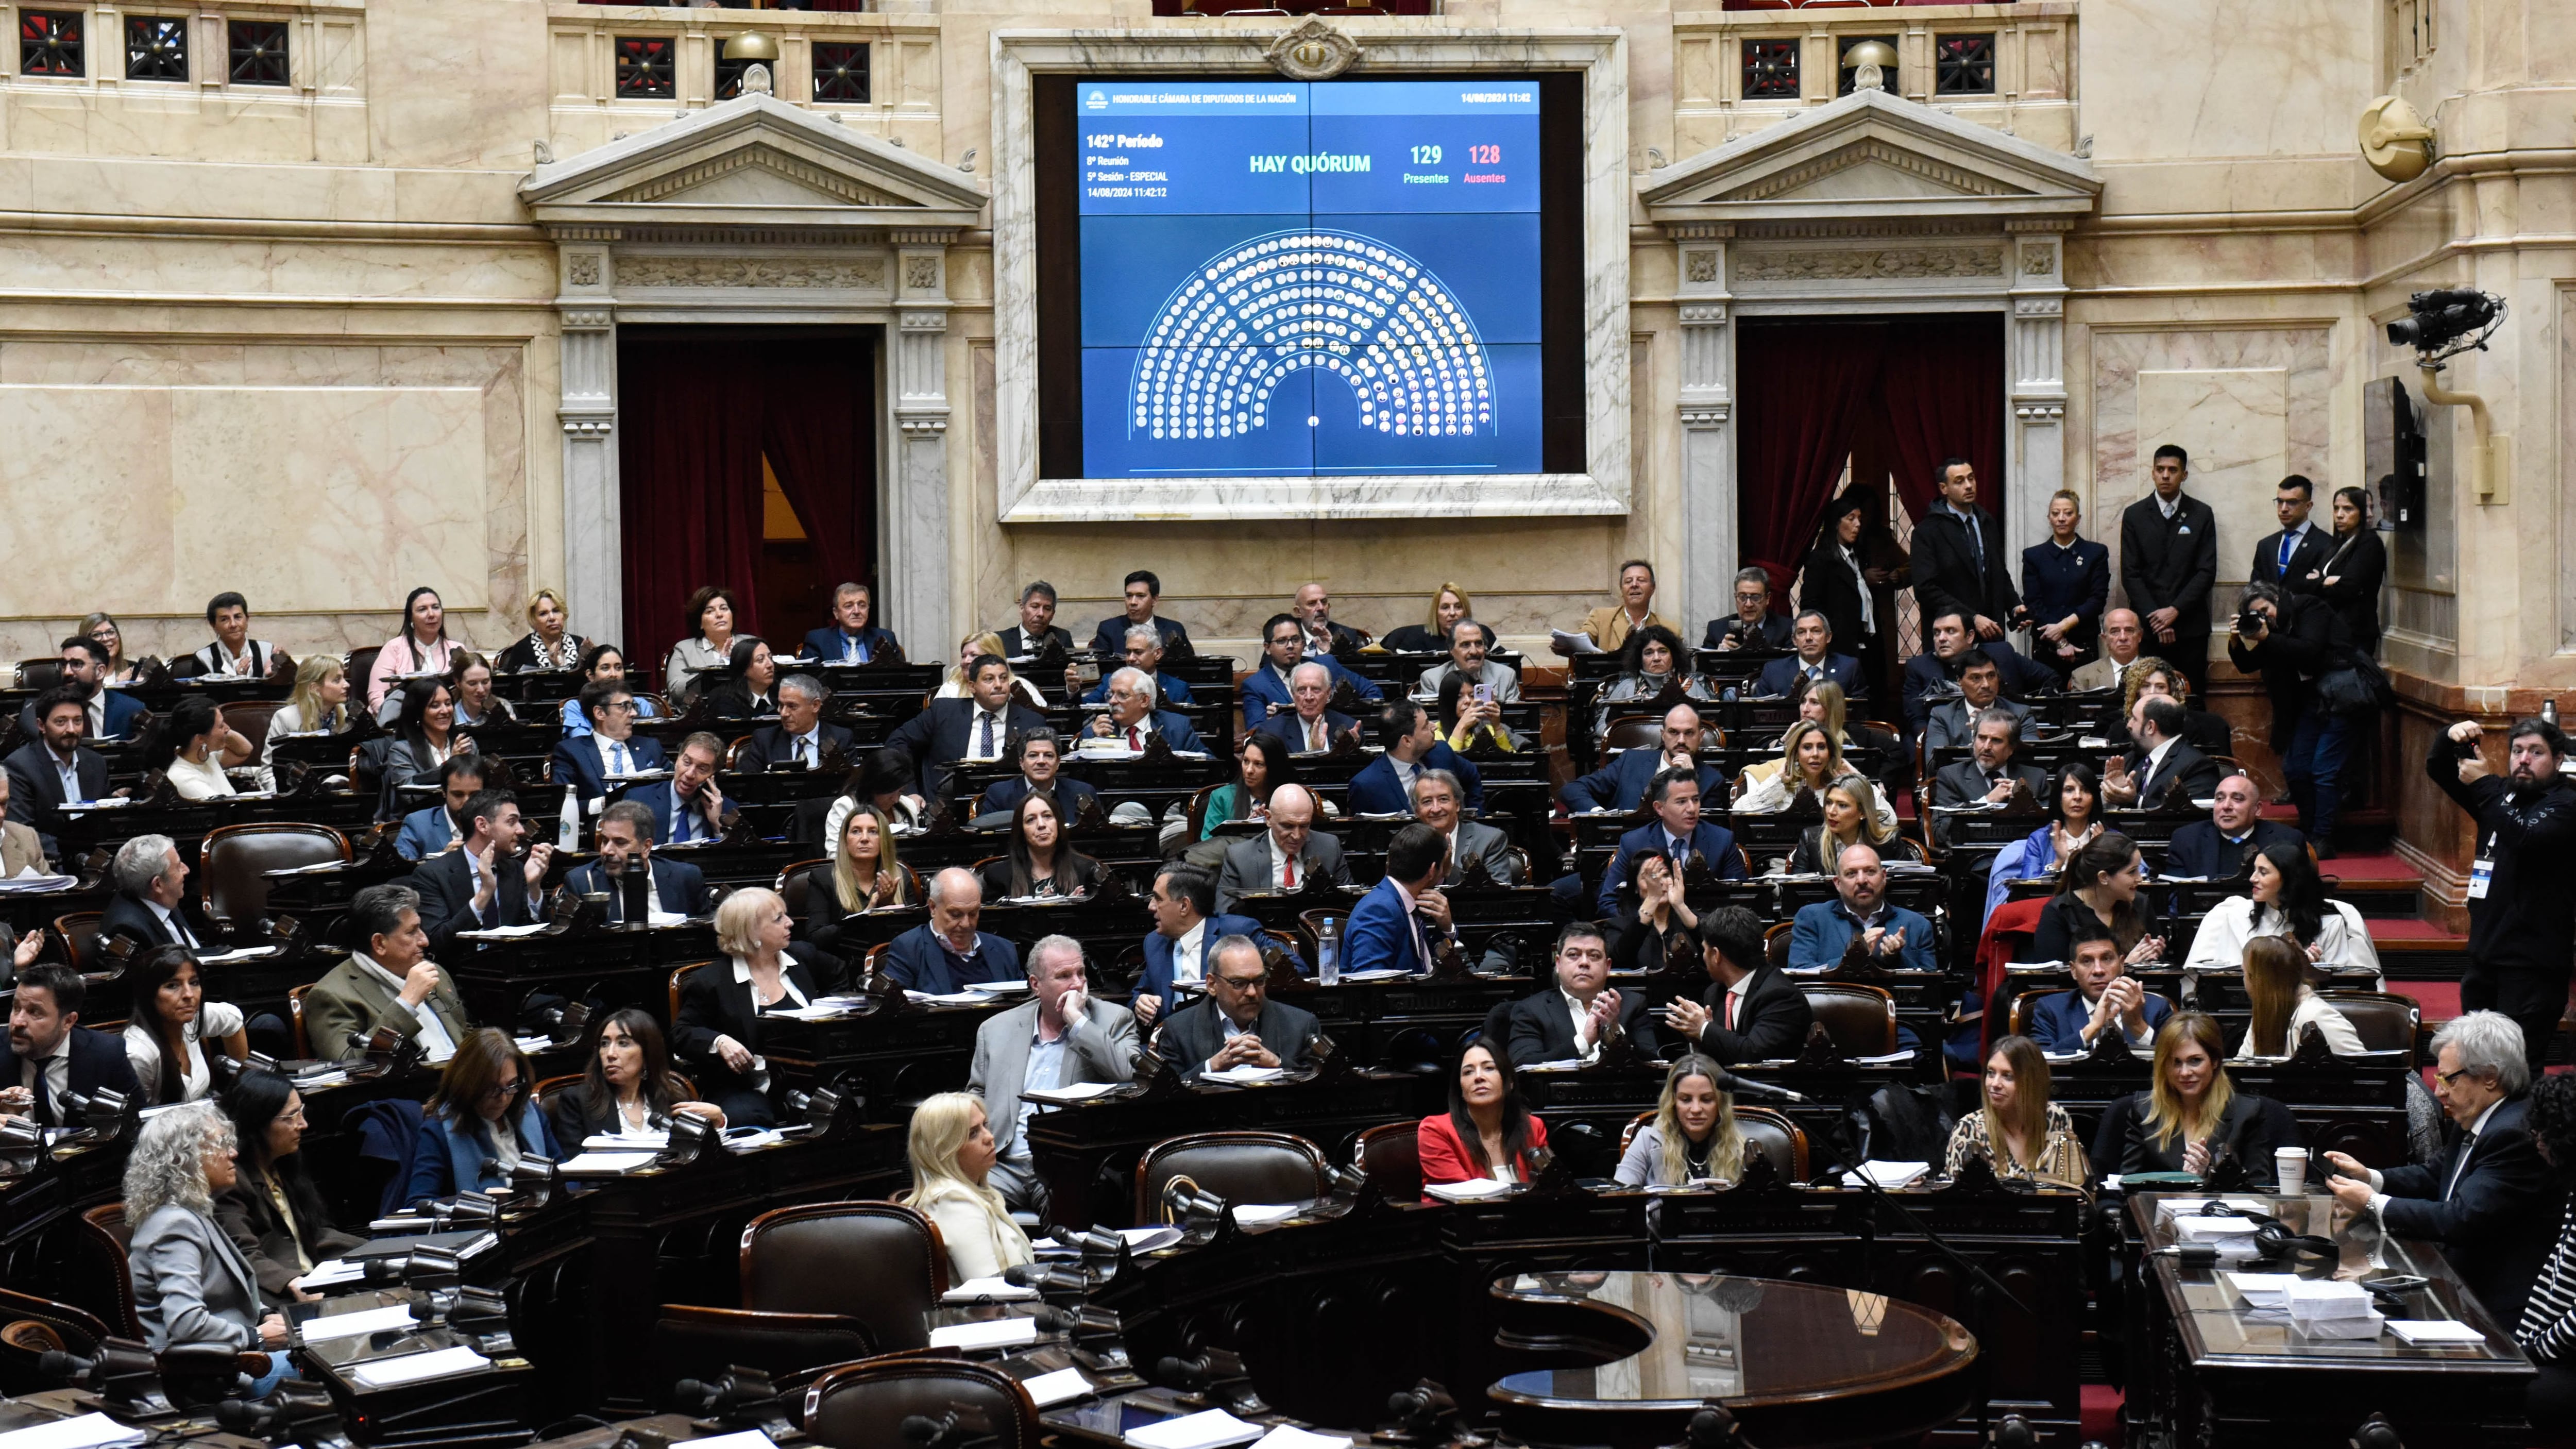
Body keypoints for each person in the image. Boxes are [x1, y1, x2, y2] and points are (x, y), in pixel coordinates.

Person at [2325, 1011, 2553, 1327]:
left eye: (2449, 1079)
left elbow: (2462, 1218)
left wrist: (2372, 1203)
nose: (2438, 1092)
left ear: (2490, 1076)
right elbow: (2436, 1176)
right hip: (2458, 1282)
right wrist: (2371, 1178)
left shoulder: (2513, 1134)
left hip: (2496, 1306)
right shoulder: (2478, 1115)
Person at [2427, 715, 2576, 1069]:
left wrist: (2484, 786)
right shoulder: (2500, 794)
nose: (2523, 759)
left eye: (2536, 752)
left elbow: (2524, 837)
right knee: (2476, 1064)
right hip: (2486, 957)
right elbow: (2439, 768)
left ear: (2557, 761)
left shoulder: (2566, 805)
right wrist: (2449, 737)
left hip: (2532, 967)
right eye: (2517, 751)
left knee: (2517, 1068)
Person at [123, 1104, 290, 1391]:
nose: (233, 1154)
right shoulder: (175, 1225)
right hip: (216, 1374)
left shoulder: (191, 1211)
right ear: (185, 1160)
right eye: (221, 1145)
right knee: (330, 1366)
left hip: (235, 1357)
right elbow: (186, 1323)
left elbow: (223, 1293)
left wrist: (264, 1315)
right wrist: (255, 1337)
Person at [969, 935, 1140, 1212]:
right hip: (1002, 1165)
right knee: (957, 1205)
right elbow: (975, 1096)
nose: (1077, 984)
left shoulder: (1114, 1020)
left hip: (1067, 1164)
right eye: (1064, 976)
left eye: (1081, 973)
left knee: (1068, 1208)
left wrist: (1078, 1022)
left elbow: (1129, 1074)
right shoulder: (996, 1029)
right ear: (1036, 984)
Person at [2227, 580, 2360, 852]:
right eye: (2258, 614)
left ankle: (2323, 837)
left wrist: (2266, 637)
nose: (2265, 617)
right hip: (2310, 703)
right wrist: (2236, 640)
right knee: (2295, 769)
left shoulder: (2308, 607)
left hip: (2341, 697)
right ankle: (2311, 833)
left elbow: (2309, 649)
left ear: (2277, 600)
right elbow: (2247, 664)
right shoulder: (2271, 632)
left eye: (2266, 609)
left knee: (2324, 770)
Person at [215, 1072, 362, 1310]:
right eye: (291, 1117)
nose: (303, 1124)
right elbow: (242, 1255)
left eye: (301, 1112)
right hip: (279, 1298)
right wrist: (292, 1283)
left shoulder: (283, 1164)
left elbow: (312, 1233)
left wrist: (375, 1252)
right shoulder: (231, 1182)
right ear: (258, 1123)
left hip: (315, 1279)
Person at [676, 888, 819, 1125]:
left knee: (844, 1102)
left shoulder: (802, 958)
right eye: (779, 919)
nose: (790, 923)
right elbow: (681, 1033)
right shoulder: (711, 981)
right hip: (745, 1087)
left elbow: (839, 976)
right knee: (747, 1117)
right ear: (751, 931)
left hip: (809, 1081)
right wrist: (720, 1041)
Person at [2099, 1012, 2287, 1184]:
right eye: (2176, 1063)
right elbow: (2131, 1183)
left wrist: (2210, 1175)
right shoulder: (2144, 1110)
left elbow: (2258, 1188)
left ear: (2215, 1061)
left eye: (2195, 1061)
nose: (2185, 1073)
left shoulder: (2247, 1113)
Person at [300, 885, 470, 1063]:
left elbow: (464, 1035)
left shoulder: (436, 974)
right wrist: (407, 1003)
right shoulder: (331, 995)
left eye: (421, 929)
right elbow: (348, 1062)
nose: (425, 941)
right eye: (412, 932)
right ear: (380, 943)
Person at [2184, 841, 2382, 980]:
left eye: (2263, 872)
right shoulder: (2234, 915)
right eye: (2255, 870)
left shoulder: (2332, 922)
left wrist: (2314, 968)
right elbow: (2220, 978)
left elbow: (2341, 984)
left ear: (2289, 880)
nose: (2253, 878)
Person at [403, 1029, 556, 1205]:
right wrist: (478, 1200)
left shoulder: (530, 1113)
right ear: (467, 1084)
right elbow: (417, 1203)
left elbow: (562, 1174)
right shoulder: (438, 1131)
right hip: (482, 1228)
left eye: (511, 1085)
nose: (504, 1098)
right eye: (492, 1088)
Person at [899, 1092, 1033, 1283]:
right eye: (973, 1134)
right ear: (944, 1150)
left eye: (985, 1126)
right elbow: (987, 1288)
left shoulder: (978, 1192)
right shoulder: (953, 1201)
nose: (989, 1137)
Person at [2119, 444, 2220, 694]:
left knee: (2192, 700)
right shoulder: (2135, 515)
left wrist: (2175, 611)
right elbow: (2130, 573)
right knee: (2146, 699)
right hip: (2148, 628)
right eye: (2160, 469)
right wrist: (2157, 618)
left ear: (2184, 475)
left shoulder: (2202, 514)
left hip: (2190, 628)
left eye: (2173, 470)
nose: (2166, 476)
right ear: (2152, 473)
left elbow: (2206, 571)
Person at [883, 654, 1049, 805]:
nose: (998, 685)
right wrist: (909, 792)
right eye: (989, 679)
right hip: (947, 806)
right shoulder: (944, 712)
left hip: (1011, 806)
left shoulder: (1032, 721)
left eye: (1004, 678)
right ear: (972, 686)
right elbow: (897, 741)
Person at [1656, 906, 1815, 1064]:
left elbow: (1753, 1054)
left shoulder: (1781, 996)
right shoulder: (1715, 993)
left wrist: (1704, 1029)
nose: (1703, 956)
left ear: (1716, 955)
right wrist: (1698, 1040)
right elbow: (1717, 1055)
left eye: (1705, 950)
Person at [542, 1009, 725, 1144]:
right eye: (604, 1044)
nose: (610, 1054)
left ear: (647, 1054)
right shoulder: (578, 1101)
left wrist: (717, 1121)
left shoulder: (672, 1096)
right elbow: (575, 1167)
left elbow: (697, 1155)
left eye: (623, 1043)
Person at [1155, 935, 1323, 1079]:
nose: (1251, 992)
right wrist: (1211, 1067)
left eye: (1259, 981)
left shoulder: (1302, 1025)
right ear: (1212, 985)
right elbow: (1167, 1093)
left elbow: (1319, 1086)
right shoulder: (1177, 1030)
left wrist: (1277, 1063)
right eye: (1239, 983)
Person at [409, 789, 551, 953]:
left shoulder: (515, 869)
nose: (520, 830)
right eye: (512, 822)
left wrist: (533, 888)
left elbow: (536, 937)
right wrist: (484, 895)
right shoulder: (433, 875)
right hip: (461, 973)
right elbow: (436, 942)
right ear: (482, 825)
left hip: (510, 971)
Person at [1593, 768, 1745, 920]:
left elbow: (1740, 903)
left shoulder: (1722, 840)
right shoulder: (1634, 843)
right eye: (1681, 802)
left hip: (1705, 933)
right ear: (1659, 808)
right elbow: (1608, 903)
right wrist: (1646, 925)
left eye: (1696, 800)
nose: (1692, 809)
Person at [2511, 1074, 2576, 1429]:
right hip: (2560, 1356)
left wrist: (2533, 1353)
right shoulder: (2572, 1189)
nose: (2536, 1139)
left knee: (2492, 1394)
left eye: (2543, 1131)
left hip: (2569, 1362)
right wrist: (2520, 1346)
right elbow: (2554, 1277)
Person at [0, 963, 139, 1126]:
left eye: (34, 1012)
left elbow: (135, 1122)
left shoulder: (107, 1054)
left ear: (68, 1021)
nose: (18, 1022)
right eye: (16, 1008)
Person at [1136, 867, 1280, 1025]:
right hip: (1173, 1040)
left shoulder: (1238, 931)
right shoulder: (1155, 942)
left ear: (1184, 906)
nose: (1151, 906)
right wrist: (1142, 1003)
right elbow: (1142, 992)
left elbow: (1294, 970)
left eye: (1158, 899)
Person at [1505, 923, 1659, 1066]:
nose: (1584, 963)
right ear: (1558, 964)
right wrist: (1584, 1042)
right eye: (1573, 955)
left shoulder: (1633, 1004)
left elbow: (1654, 1063)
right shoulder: (1531, 1010)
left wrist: (1616, 1033)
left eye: (1594, 956)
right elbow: (1522, 1065)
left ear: (1608, 966)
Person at [1946, 1036, 2089, 1186]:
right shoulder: (1969, 1130)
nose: (1994, 1084)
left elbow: (2078, 1187)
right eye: (1991, 1073)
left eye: (2008, 1076)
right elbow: (1953, 1203)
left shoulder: (2056, 1117)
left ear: (2032, 1081)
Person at [1912, 457, 2024, 644]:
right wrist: (1972, 617)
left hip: (1991, 631)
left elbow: (1998, 573)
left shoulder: (1986, 522)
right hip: (1951, 636)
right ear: (1944, 489)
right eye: (1959, 481)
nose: (1969, 485)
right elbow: (1925, 589)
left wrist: (2014, 606)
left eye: (1971, 478)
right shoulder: (1928, 531)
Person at [1982, 762, 2107, 925]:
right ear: (2058, 797)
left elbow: (2137, 880)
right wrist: (2058, 863)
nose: (2078, 797)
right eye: (2069, 790)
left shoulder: (2107, 837)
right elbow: (2029, 889)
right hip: (2051, 919)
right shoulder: (2040, 840)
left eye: (2085, 790)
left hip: (2099, 918)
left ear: (2094, 798)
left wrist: (2103, 857)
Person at [122, 947, 247, 1106]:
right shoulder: (139, 1055)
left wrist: (241, 1087)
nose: (189, 994)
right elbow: (136, 1125)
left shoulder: (190, 1017)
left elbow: (233, 1018)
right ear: (149, 995)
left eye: (194, 983)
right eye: (173, 986)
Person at [1900, 612, 2052, 742]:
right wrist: (1935, 735)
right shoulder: (1919, 666)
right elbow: (1916, 718)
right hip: (1944, 735)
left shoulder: (2002, 654)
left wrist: (2036, 721)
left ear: (1970, 636)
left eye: (1950, 631)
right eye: (1937, 633)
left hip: (2005, 734)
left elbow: (2050, 678)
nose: (1941, 639)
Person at [1787, 844, 1937, 973]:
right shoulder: (1813, 918)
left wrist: (1894, 959)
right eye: (1851, 874)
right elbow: (1800, 972)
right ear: (1838, 883)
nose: (1862, 880)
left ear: (1884, 877)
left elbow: (1931, 986)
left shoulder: (1917, 925)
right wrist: (1851, 957)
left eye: (1870, 871)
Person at [1419, 1042, 1548, 1192]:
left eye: (1489, 1068)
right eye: (1468, 1072)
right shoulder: (1436, 1130)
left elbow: (1548, 1188)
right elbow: (1460, 1195)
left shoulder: (1532, 1127)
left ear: (1510, 1081)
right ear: (1460, 1087)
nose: (1479, 1077)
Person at [793, 801, 910, 962]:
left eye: (873, 832)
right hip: (844, 964)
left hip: (893, 962)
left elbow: (912, 937)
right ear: (845, 840)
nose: (864, 839)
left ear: (884, 840)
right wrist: (865, 915)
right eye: (856, 831)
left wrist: (887, 909)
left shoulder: (901, 876)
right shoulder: (823, 878)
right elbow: (816, 938)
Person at [2026, 927, 2174, 1054]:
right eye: (2087, 961)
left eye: (2107, 959)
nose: (2098, 970)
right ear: (2073, 971)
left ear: (2122, 964)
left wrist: (2138, 1026)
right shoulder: (2051, 1009)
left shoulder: (2156, 1008)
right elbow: (2038, 1063)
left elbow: (2176, 1059)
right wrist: (2092, 1028)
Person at [565, 800, 714, 923]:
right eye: (605, 841)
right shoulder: (582, 882)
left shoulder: (685, 878)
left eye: (620, 842)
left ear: (646, 847)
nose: (607, 851)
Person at [2029, 833, 2164, 965]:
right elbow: (2051, 978)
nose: (2140, 879)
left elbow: (2158, 968)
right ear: (2104, 878)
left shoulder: (2141, 903)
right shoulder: (2058, 912)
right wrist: (2124, 967)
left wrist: (2155, 954)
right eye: (2132, 872)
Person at [1562, 703, 1722, 813]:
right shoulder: (1631, 762)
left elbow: (1705, 832)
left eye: (1689, 733)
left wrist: (1690, 780)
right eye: (1674, 732)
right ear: (1663, 735)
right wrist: (1600, 815)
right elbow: (1573, 790)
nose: (1681, 740)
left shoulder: (1712, 781)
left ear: (1701, 737)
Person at [1615, 1055, 1746, 1188]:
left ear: (1721, 1104)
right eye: (1686, 1099)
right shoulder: (1647, 1141)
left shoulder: (1743, 1147)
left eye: (1706, 1099)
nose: (1696, 1109)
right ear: (1673, 1102)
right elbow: (1622, 1196)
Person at [884, 868, 1021, 993]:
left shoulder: (1004, 950)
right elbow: (894, 1008)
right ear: (932, 907)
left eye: (973, 914)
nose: (966, 924)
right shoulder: (909, 948)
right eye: (956, 914)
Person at [1215, 784, 1349, 911]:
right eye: (1287, 826)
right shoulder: (1239, 857)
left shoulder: (1330, 848)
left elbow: (1347, 906)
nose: (1297, 836)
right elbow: (1225, 914)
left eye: (1304, 826)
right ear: (1268, 818)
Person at [2021, 490, 2110, 679]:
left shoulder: (2096, 553)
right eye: (2056, 513)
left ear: (2078, 519)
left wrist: (2064, 626)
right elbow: (2033, 602)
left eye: (2068, 513)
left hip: (2084, 643)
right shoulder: (2033, 556)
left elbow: (2097, 600)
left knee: (2086, 703)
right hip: (2045, 645)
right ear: (2049, 518)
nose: (2061, 518)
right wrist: (2060, 641)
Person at [7, 694, 108, 859]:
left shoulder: (96, 764)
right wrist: (75, 856)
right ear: (41, 725)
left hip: (95, 858)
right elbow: (21, 832)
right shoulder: (20, 767)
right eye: (61, 722)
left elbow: (104, 824)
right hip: (49, 863)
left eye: (78, 721)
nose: (71, 729)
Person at [1348, 824, 1457, 977]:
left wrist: (1446, 928)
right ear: (1432, 870)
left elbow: (1428, 963)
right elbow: (1370, 981)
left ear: (1390, 861)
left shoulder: (1405, 900)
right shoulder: (1379, 910)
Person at [2233, 935, 2367, 1059]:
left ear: (2258, 980)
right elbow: (2244, 1064)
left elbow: (2362, 1071)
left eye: (2245, 973)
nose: (2244, 980)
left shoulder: (2317, 1015)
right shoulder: (2265, 1012)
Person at [1240, 614, 1379, 731]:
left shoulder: (1327, 665)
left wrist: (1350, 718)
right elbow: (1254, 732)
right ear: (1268, 648)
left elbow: (1373, 691)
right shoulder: (1256, 685)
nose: (1290, 646)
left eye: (1295, 640)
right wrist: (1270, 722)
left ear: (1303, 643)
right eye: (1282, 641)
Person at [2165, 772, 2306, 881]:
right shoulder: (2186, 840)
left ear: (2257, 809)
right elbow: (2176, 897)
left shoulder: (2287, 840)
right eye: (2220, 799)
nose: (2226, 806)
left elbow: (2297, 894)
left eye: (2237, 799)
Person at [1798, 494, 1880, 680]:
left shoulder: (1858, 557)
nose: (1858, 524)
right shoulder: (1820, 560)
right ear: (1836, 523)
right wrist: (1827, 635)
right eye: (1851, 519)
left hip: (1864, 645)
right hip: (1837, 646)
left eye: (1860, 519)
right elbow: (1811, 605)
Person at [1348, 700, 1482, 815]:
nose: (1434, 727)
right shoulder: (1366, 786)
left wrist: (1475, 820)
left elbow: (1472, 776)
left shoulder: (1442, 752)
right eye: (1426, 726)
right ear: (1407, 741)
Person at [551, 680, 668, 805]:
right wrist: (605, 803)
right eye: (625, 706)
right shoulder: (571, 752)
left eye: (634, 706)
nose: (634, 714)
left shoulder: (651, 747)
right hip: (600, 821)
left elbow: (672, 789)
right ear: (600, 713)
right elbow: (564, 805)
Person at [374, 676, 473, 821]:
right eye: (435, 706)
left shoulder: (465, 744)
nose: (445, 711)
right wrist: (451, 765)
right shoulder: (401, 751)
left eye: (448, 703)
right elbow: (409, 797)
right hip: (423, 822)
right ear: (418, 712)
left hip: (466, 819)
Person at [1592, 625, 1716, 739]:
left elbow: (1710, 730)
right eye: (1649, 653)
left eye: (1663, 651)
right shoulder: (1627, 687)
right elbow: (1603, 726)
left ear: (1673, 655)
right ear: (1640, 658)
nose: (1656, 658)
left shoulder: (1690, 686)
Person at [102, 833, 218, 952]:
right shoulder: (127, 930)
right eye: (178, 867)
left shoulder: (162, 899)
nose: (186, 870)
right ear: (158, 885)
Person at [12, 636, 144, 740]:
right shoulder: (40, 712)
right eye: (64, 665)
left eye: (77, 664)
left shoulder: (131, 710)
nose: (67, 672)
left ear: (100, 672)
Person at [2101, 697, 2221, 811]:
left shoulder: (2198, 766)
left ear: (2151, 727)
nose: (2129, 725)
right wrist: (2111, 794)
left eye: (2134, 718)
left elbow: (2190, 814)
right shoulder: (2128, 761)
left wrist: (2135, 800)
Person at [2100, 657, 2231, 757]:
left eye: (2160, 687)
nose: (2153, 692)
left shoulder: (2189, 725)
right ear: (2136, 692)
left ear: (2170, 691)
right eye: (2145, 686)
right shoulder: (2119, 728)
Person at [1784, 777, 1915, 877]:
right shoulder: (1811, 840)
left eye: (1842, 805)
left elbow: (1910, 886)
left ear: (1863, 812)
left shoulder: (1889, 841)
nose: (1831, 811)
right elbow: (1797, 891)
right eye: (1829, 803)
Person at [259, 655, 354, 791]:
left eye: (344, 678)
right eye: (337, 680)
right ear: (315, 688)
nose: (347, 685)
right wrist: (285, 797)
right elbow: (269, 771)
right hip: (296, 798)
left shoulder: (347, 716)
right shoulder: (286, 718)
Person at [982, 793, 1103, 900]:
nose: (1041, 825)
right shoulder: (999, 876)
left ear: (1058, 823)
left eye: (1047, 816)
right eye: (1031, 820)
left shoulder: (1086, 870)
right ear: (1022, 831)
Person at [1931, 707, 2047, 814]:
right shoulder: (1951, 777)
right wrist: (1987, 802)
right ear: (1974, 740)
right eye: (1982, 738)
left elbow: (2051, 826)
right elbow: (1941, 830)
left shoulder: (2036, 778)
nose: (1986, 747)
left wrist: (2028, 803)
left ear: (2012, 748)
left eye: (1996, 740)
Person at [1412, 769, 1518, 885]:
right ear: (1417, 811)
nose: (1436, 809)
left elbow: (1497, 894)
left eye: (1443, 799)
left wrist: (1449, 869)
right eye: (1427, 802)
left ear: (1457, 805)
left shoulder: (1490, 840)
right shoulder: (1407, 844)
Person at [2316, 485, 2388, 656]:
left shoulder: (2369, 542)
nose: (2340, 515)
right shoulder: (2337, 543)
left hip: (2355, 631)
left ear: (2362, 513)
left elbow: (2349, 586)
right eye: (2336, 508)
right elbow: (2307, 581)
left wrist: (2322, 581)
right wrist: (2326, 581)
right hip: (2330, 628)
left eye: (2348, 509)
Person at [367, 586, 459, 718]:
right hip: (399, 726)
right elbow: (377, 695)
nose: (431, 614)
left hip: (445, 723)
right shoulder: (394, 648)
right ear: (411, 618)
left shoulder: (456, 650)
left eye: (436, 607)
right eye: (422, 610)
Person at [1555, 559, 1674, 658]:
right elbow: (1584, 636)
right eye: (1628, 581)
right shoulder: (1601, 618)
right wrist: (1567, 642)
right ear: (1622, 589)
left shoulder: (1669, 629)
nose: (1634, 585)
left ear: (1653, 588)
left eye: (1641, 580)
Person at [736, 675, 851, 773]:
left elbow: (851, 786)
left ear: (815, 706)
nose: (784, 713)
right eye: (781, 705)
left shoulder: (841, 738)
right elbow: (752, 788)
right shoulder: (764, 740)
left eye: (792, 706)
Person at [981, 728, 1099, 823]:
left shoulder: (1083, 792)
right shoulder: (999, 794)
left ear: (1058, 763)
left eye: (1048, 755)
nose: (1041, 761)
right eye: (1033, 756)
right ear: (1022, 763)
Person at [640, 733, 737, 846]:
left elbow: (730, 859)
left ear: (712, 776)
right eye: (687, 763)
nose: (690, 774)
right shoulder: (641, 799)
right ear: (677, 761)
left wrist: (717, 825)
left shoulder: (727, 809)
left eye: (702, 769)